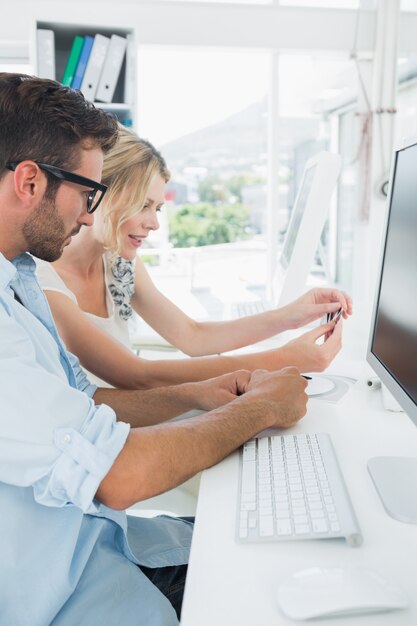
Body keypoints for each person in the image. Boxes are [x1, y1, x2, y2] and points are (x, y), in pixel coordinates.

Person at [0, 72, 309, 626]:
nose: (90, 215)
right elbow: (117, 476)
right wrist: (258, 407)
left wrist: (203, 394)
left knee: (276, 549)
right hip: (68, 590)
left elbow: (85, 402)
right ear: (29, 182)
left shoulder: (17, 280)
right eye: (87, 193)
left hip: (102, 541)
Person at [36, 124, 352, 389]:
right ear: (99, 193)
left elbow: (192, 336)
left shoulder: (117, 261)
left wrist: (291, 315)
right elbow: (135, 376)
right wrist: (283, 360)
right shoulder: (40, 277)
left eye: (157, 208)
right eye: (142, 205)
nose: (154, 223)